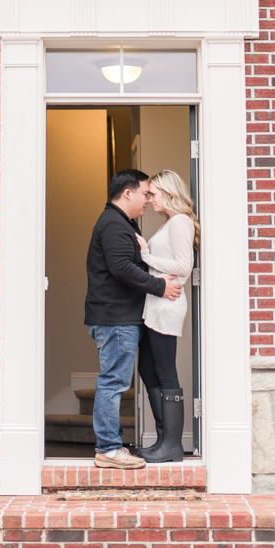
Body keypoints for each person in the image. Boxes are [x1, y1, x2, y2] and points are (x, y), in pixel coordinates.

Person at [84, 167, 183, 470]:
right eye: (144, 193)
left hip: (121, 318)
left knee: (115, 381)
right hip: (116, 319)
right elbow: (122, 268)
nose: (147, 200)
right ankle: (109, 449)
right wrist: (160, 286)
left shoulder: (121, 223)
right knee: (113, 382)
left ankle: (113, 446)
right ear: (127, 193)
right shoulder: (114, 224)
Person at [135, 170, 200, 463]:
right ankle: (164, 439)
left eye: (153, 193)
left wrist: (147, 256)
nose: (150, 198)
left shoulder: (181, 222)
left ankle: (172, 445)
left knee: (164, 371)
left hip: (168, 304)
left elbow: (184, 266)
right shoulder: (170, 223)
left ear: (169, 193)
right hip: (156, 305)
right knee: (148, 371)